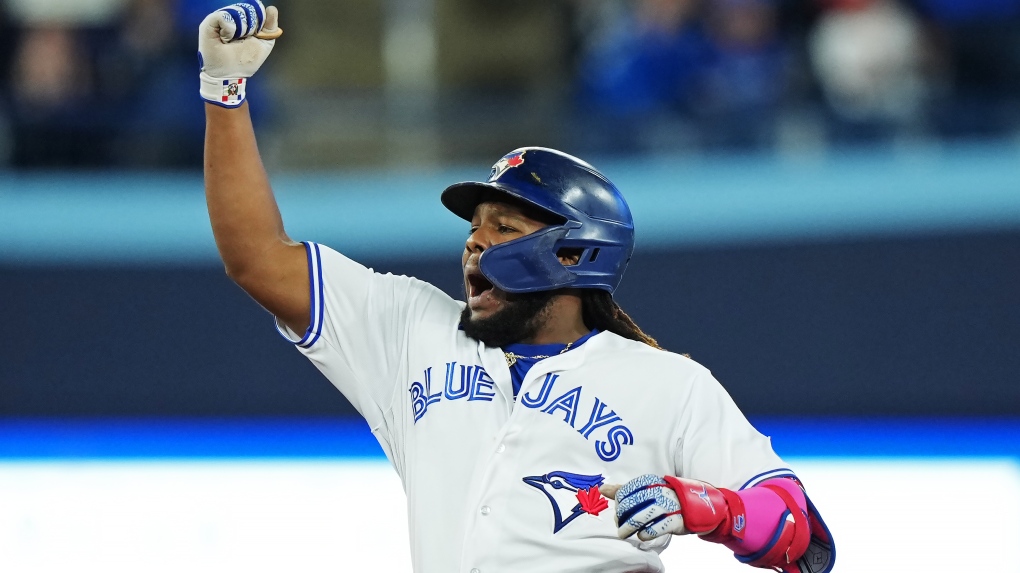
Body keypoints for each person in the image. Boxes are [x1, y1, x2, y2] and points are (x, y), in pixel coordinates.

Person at [199, 3, 836, 572]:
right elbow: (256, 258)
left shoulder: (666, 383)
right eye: (474, 227)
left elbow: (802, 536)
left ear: (574, 253)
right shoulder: (411, 332)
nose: (476, 242)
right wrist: (224, 92)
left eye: (505, 227)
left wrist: (708, 508)